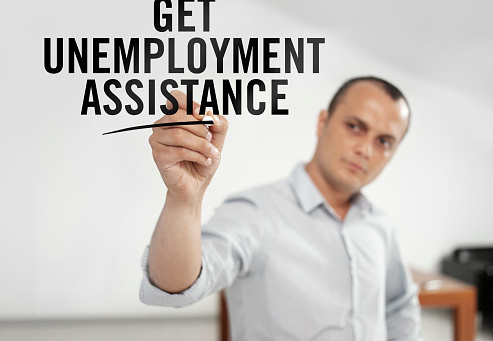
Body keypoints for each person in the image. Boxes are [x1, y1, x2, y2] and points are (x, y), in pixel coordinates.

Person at [140, 77, 423, 340]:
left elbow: (400, 308)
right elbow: (175, 286)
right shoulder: (256, 212)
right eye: (354, 127)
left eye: (384, 142)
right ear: (322, 122)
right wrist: (184, 199)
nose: (366, 150)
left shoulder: (379, 225)